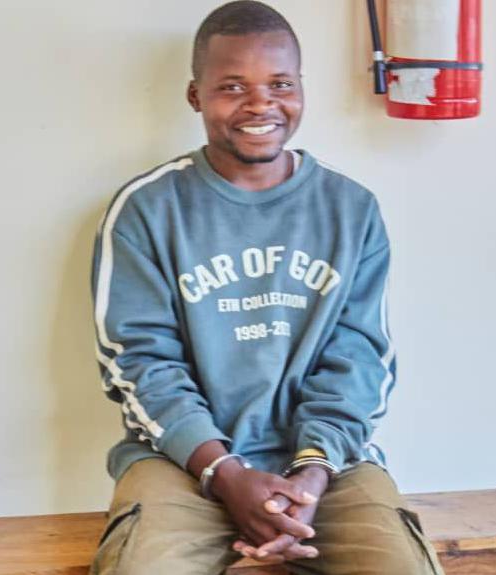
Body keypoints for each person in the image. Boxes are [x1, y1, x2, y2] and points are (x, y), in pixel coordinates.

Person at [89, 2, 444, 574]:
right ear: (194, 95)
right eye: (232, 86)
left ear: (301, 88)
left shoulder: (350, 210)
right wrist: (226, 474)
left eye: (280, 84)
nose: (261, 104)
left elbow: (359, 359)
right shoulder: (147, 211)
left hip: (327, 466)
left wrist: (311, 469)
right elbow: (140, 365)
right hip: (182, 463)